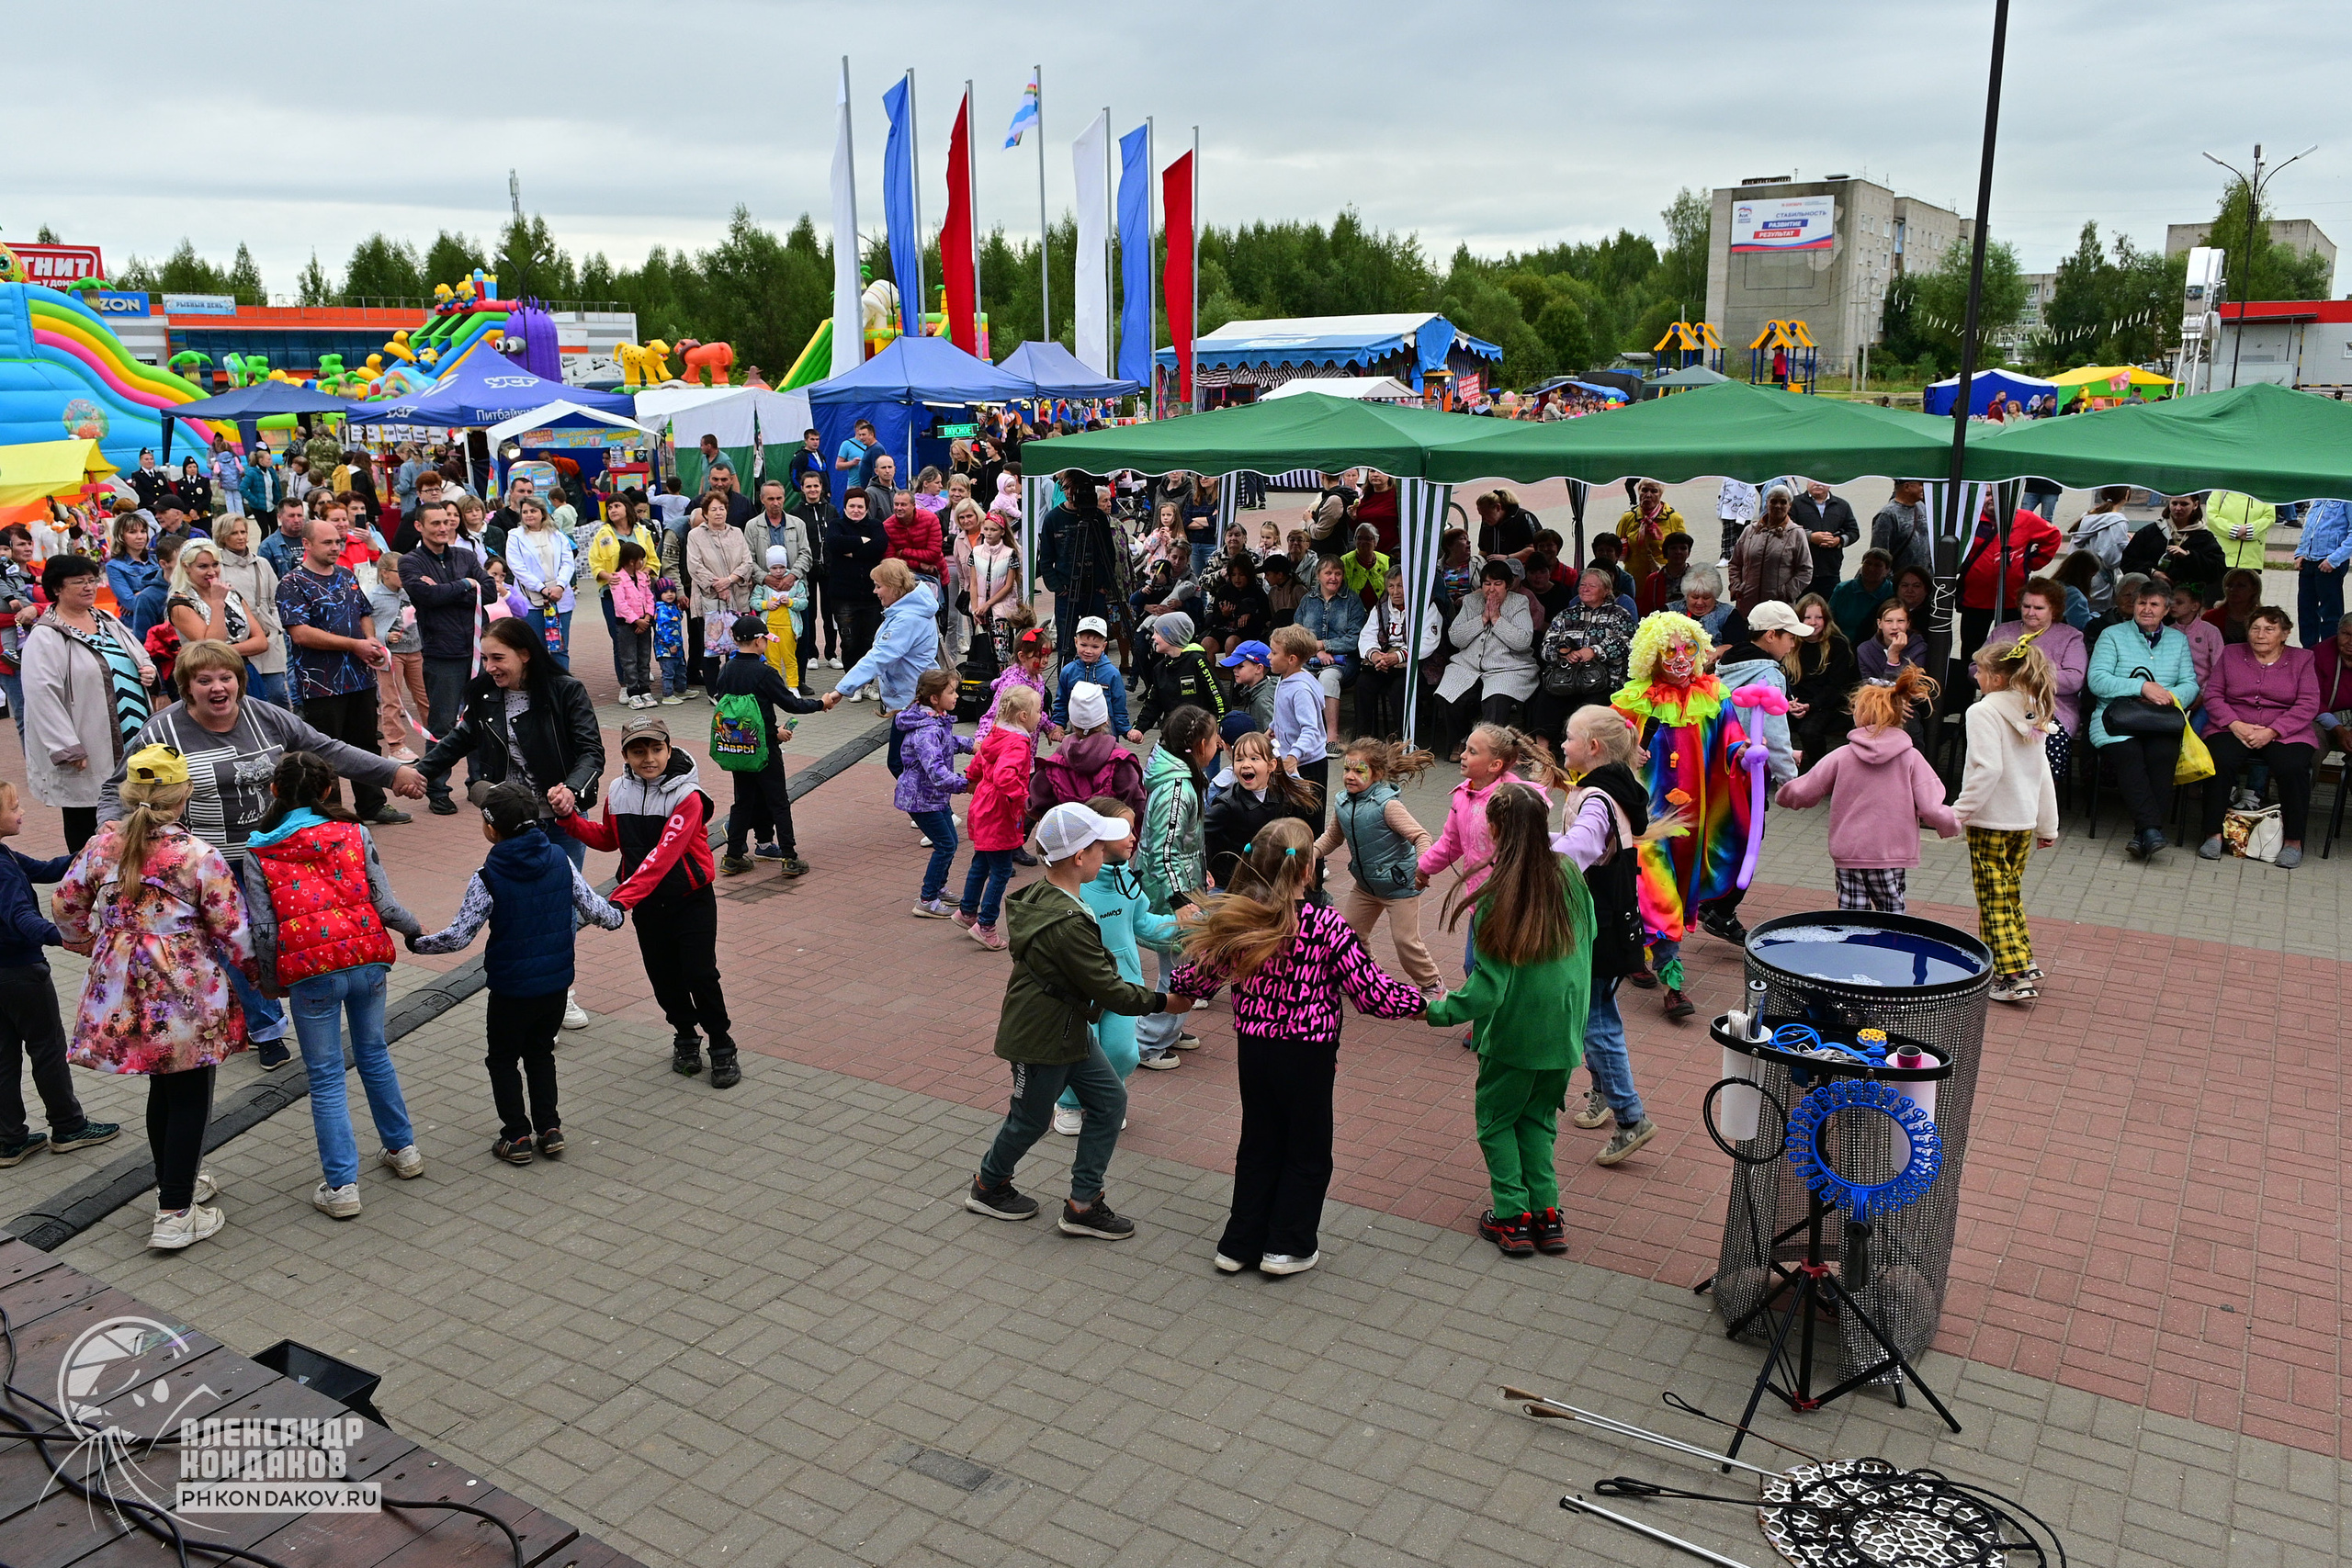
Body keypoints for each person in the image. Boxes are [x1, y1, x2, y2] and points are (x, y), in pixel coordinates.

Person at [1173, 817, 1426, 1276]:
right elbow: (1372, 993)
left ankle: (1240, 1242)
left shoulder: (1237, 920)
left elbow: (1192, 979)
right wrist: (1425, 1005)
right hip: (1307, 1052)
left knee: (1259, 1142)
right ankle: (1287, 1245)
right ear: (1308, 870)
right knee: (1307, 1148)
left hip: (1254, 1048)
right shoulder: (1325, 926)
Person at [53, 742, 255, 1249]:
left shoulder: (104, 844)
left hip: (121, 983)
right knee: (190, 1093)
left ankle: (176, 1183)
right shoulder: (196, 854)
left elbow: (65, 901)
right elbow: (233, 927)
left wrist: (83, 939)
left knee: (161, 1090)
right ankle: (174, 1212)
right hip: (184, 986)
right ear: (184, 793)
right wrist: (260, 974)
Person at [966, 800, 1196, 1238]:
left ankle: (1083, 1204)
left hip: (1068, 1030)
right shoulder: (1068, 921)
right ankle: (988, 1185)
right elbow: (1108, 989)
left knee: (1109, 1102)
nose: (1104, 854)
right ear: (1079, 857)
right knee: (1029, 1120)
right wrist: (1166, 1002)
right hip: (1043, 1037)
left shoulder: (1052, 894)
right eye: (1097, 847)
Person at [238, 752, 424, 1219]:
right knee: (374, 1053)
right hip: (366, 960)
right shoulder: (355, 832)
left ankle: (342, 1187)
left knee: (324, 1076)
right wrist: (414, 929)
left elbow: (263, 929)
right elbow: (384, 902)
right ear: (327, 791)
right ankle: (403, 1151)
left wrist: (267, 979)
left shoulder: (259, 850)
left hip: (309, 973)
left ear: (274, 792)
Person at [411, 781, 626, 1163]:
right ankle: (550, 1128)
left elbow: (460, 937)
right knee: (541, 1054)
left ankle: (516, 1136)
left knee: (503, 1059)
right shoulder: (561, 860)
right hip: (556, 984)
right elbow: (597, 911)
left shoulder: (488, 876)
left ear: (491, 829)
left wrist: (417, 942)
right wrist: (618, 913)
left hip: (510, 990)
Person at [1426, 784, 1591, 1257]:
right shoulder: (1570, 875)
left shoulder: (1497, 893)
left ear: (1494, 830)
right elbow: (1590, 938)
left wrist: (1440, 1009)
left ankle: (1511, 1217)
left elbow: (1487, 987)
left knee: (1497, 1120)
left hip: (1515, 1035)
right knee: (1539, 1119)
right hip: (1564, 1030)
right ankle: (1547, 1214)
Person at [558, 715, 736, 1084]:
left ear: (669, 748)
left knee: (700, 974)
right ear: (626, 755)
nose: (649, 758)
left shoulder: (690, 797)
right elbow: (609, 838)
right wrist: (569, 819)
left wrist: (619, 901)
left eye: (656, 748)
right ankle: (685, 1036)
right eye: (638, 751)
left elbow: (662, 856)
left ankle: (721, 1043)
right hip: (648, 905)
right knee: (663, 977)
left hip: (691, 898)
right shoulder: (618, 790)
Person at [1611, 614, 1758, 1019]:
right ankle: (1673, 982)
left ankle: (1637, 949)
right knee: (1658, 890)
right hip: (1646, 819)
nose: (1679, 657)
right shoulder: (1632, 701)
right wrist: (1626, 754)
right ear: (1650, 655)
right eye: (1669, 649)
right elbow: (1605, 749)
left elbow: (1732, 740)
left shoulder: (1713, 696)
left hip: (1694, 820)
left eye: (1687, 648)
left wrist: (1746, 754)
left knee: (1674, 890)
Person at [1554, 704, 1660, 1166]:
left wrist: (1533, 856)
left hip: (1599, 924)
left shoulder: (1597, 798)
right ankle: (1601, 1090)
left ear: (1593, 747)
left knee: (1597, 1020)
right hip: (1614, 919)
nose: (1562, 745)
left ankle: (1630, 1116)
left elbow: (1580, 845)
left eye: (1569, 738)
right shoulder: (1610, 788)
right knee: (1597, 1012)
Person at [1047, 795, 1187, 1123]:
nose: (1134, 836)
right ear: (1097, 838)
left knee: (1125, 1051)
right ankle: (1067, 1105)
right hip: (1083, 989)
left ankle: (1106, 1098)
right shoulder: (1075, 885)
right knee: (1081, 1050)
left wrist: (1185, 927)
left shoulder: (1128, 880)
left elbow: (1143, 923)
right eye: (1124, 829)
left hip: (1125, 985)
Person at [1774, 664, 1959, 913]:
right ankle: (1890, 950)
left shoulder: (1842, 755)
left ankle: (1853, 950)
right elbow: (1930, 806)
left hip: (1849, 850)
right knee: (1892, 915)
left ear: (1858, 713)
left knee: (1852, 916)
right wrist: (1950, 825)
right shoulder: (1911, 757)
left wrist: (1783, 795)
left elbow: (1805, 789)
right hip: (1892, 852)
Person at [0, 779, 117, 1166]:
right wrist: (67, 937)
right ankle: (68, 1126)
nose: (21, 812)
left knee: (4, 1056)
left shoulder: (6, 856)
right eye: (14, 807)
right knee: (47, 1048)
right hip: (21, 972)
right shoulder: (3, 869)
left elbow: (48, 868)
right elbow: (20, 918)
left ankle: (9, 1138)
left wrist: (90, 850)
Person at [21, 553, 155, 853]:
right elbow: (42, 697)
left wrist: (147, 671)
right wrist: (65, 746)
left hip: (132, 736)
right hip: (88, 747)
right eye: (78, 581)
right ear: (57, 588)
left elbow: (138, 654)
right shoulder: (45, 637)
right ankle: (87, 886)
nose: (88, 587)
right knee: (89, 823)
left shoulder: (107, 620)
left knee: (136, 813)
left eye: (92, 580)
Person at [277, 518, 404, 828]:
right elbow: (301, 633)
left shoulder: (346, 576)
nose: (336, 548)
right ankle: (329, 812)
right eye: (328, 543)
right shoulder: (292, 584)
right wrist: (354, 645)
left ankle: (373, 804)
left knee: (365, 744)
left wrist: (370, 641)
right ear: (306, 545)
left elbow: (364, 613)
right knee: (323, 753)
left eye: (338, 542)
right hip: (321, 683)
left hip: (359, 678)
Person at [1954, 640, 2062, 1002]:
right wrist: (2048, 824)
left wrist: (1959, 812)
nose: (1976, 676)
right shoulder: (2033, 709)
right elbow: (2042, 773)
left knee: (1993, 898)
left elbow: (1988, 769)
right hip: (2024, 821)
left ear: (1997, 678)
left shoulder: (1983, 711)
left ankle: (2012, 976)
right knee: (2008, 893)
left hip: (1991, 820)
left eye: (1981, 670)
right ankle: (2021, 960)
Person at [1314, 739, 1442, 996]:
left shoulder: (1388, 805)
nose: (1350, 776)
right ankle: (1368, 977)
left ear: (1377, 774)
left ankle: (1433, 986)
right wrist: (1310, 853)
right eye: (1346, 769)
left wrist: (1422, 867)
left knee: (1406, 942)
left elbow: (1421, 837)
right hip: (1365, 885)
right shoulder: (1343, 802)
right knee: (1348, 935)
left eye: (1358, 770)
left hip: (1399, 887)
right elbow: (1332, 838)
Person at [2198, 607, 2320, 868]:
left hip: (2285, 731)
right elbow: (2214, 695)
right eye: (2255, 628)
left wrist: (2273, 730)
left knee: (2293, 767)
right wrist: (2235, 724)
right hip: (2233, 726)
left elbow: (2308, 704)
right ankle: (2212, 834)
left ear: (2285, 634)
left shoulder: (2302, 659)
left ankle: (2293, 842)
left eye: (2269, 629)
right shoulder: (2231, 654)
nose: (2260, 635)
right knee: (2219, 759)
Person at [2087, 579, 2199, 862]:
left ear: (2166, 610)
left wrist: (2167, 696)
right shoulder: (2112, 635)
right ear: (2133, 605)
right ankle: (2150, 829)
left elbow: (2190, 684)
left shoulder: (2178, 640)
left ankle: (2144, 834)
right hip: (2116, 718)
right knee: (2130, 754)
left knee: (2163, 753)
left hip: (2160, 718)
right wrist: (2140, 687)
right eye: (2141, 603)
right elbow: (2097, 681)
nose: (2147, 609)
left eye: (2154, 604)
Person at [708, 615, 820, 876]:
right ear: (759, 641)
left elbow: (733, 711)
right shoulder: (764, 672)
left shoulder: (726, 670)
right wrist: (820, 704)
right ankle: (790, 857)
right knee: (778, 800)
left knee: (743, 800)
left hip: (738, 746)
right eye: (766, 640)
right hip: (765, 749)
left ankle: (733, 855)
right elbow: (791, 704)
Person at [956, 682, 1041, 950]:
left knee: (982, 860)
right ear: (1023, 716)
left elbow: (980, 761)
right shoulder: (1018, 742)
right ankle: (986, 925)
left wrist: (973, 778)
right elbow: (1006, 776)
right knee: (1002, 870)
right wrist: (1023, 797)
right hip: (999, 811)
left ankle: (968, 910)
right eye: (1039, 711)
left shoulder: (997, 733)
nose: (1042, 716)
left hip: (984, 804)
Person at [1974, 578, 2087, 779]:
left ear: (2054, 609)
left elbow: (2074, 679)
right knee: (1988, 738)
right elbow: (1975, 668)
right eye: (2026, 606)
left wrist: (2024, 676)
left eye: (2039, 607)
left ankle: (2042, 804)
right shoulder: (2002, 631)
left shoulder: (2071, 636)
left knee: (2052, 742)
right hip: (2002, 706)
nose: (2030, 612)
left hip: (2052, 710)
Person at [1532, 567, 1636, 749]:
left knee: (1593, 707)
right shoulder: (1566, 615)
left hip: (1605, 680)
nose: (1585, 589)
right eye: (1582, 585)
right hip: (1566, 677)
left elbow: (1627, 644)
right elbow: (1546, 646)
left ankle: (1585, 757)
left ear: (1606, 590)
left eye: (1592, 586)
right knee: (1545, 699)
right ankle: (1542, 756)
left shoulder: (1619, 614)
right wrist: (1563, 652)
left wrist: (1595, 651)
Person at [1204, 731, 1322, 890]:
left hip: (1271, 881)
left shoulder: (1282, 798)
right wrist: (1205, 869)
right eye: (1239, 759)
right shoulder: (1227, 805)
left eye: (1254, 758)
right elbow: (1201, 834)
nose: (1245, 764)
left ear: (1271, 765)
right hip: (1232, 886)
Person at [1440, 560, 1539, 743]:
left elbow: (1523, 641)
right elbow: (1455, 637)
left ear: (1507, 586)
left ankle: (1490, 746)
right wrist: (1483, 619)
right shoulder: (1471, 601)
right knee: (1450, 695)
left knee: (1496, 699)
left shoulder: (1519, 603)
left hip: (1508, 667)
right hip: (1468, 665)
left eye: (1497, 583)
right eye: (1487, 583)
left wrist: (1497, 619)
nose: (1491, 589)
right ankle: (1460, 741)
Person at [1716, 600, 1812, 787]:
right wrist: (1789, 781)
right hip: (1751, 773)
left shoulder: (1726, 665)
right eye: (1791, 638)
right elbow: (1775, 735)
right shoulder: (1769, 677)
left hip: (1721, 765)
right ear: (1771, 635)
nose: (1792, 645)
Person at [1956, 498, 2063, 661]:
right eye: (1987, 493)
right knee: (1971, 652)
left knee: (2010, 652)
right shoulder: (1968, 518)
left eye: (1996, 492)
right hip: (1974, 601)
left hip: (2011, 601)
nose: (1991, 498)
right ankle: (1969, 685)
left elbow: (2053, 536)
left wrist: (2031, 564)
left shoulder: (2025, 519)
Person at [1041, 470, 1123, 661]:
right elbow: (1045, 559)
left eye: (1074, 487)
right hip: (1066, 591)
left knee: (1096, 638)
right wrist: (1058, 588)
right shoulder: (1053, 518)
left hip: (1095, 590)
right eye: (1066, 487)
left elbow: (1109, 555)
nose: (1070, 492)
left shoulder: (1098, 517)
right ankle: (1067, 679)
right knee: (1067, 643)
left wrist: (1104, 587)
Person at [1033, 682, 1145, 821]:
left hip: (1070, 840)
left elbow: (1036, 806)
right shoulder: (1121, 762)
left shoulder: (1053, 764)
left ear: (1072, 722)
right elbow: (1137, 808)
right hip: (1113, 840)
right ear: (1106, 720)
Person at [1355, 572, 1440, 740]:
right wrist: (1375, 655)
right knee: (1363, 683)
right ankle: (1364, 736)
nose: (1396, 592)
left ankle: (1402, 737)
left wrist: (1399, 657)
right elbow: (1367, 635)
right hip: (1386, 662)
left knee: (1399, 688)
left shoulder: (1426, 606)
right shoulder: (1381, 606)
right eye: (1391, 586)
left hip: (1417, 665)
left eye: (1400, 586)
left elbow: (1428, 641)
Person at [684, 492, 752, 696]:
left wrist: (729, 580)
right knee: (712, 647)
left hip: (736, 597)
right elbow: (694, 566)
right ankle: (714, 692)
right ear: (705, 513)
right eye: (713, 509)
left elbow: (747, 562)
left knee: (735, 645)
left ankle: (733, 688)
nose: (718, 512)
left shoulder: (737, 533)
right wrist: (718, 586)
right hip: (709, 600)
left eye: (721, 508)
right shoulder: (695, 535)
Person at [504, 497, 577, 672]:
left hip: (559, 598)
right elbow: (518, 568)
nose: (529, 515)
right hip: (531, 600)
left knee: (560, 647)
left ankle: (563, 687)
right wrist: (541, 588)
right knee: (536, 647)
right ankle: (541, 687)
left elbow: (568, 563)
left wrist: (559, 586)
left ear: (542, 513)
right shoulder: (515, 536)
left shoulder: (557, 536)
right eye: (525, 512)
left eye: (533, 511)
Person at [1266, 625, 1331, 817]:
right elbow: (1285, 714)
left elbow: (1311, 730)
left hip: (1307, 765)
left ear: (1291, 659)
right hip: (1289, 761)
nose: (1269, 656)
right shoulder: (1285, 677)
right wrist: (1273, 728)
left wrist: (1294, 756)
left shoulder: (1301, 690)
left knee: (1307, 822)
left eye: (1273, 652)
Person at [1787, 593, 1855, 769]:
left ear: (1826, 620)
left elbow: (1836, 686)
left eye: (1818, 617)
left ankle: (1821, 771)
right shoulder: (1791, 644)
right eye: (1807, 617)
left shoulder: (1837, 645)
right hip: (1795, 703)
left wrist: (1811, 705)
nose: (1813, 622)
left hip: (1826, 704)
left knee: (1809, 731)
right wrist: (1790, 703)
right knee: (1772, 723)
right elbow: (1786, 680)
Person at [1135, 612, 1226, 733]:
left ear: (1170, 635)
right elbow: (1153, 703)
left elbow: (1217, 697)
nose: (1153, 637)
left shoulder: (1197, 661)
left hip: (1200, 735)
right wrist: (1139, 728)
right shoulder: (1160, 668)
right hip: (1173, 735)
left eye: (1157, 633)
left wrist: (1219, 729)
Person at [1728, 486, 1813, 613]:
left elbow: (1805, 570)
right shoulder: (1750, 531)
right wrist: (1737, 588)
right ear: (1766, 503)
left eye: (1783, 502)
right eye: (1773, 501)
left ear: (1789, 505)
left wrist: (1787, 592)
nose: (1778, 506)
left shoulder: (1796, 533)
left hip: (1779, 608)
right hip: (1747, 605)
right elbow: (1735, 563)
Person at [2120, 494, 2226, 590]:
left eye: (2184, 504)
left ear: (2195, 505)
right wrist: (2152, 572)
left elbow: (2217, 569)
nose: (2178, 508)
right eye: (2174, 503)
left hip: (2188, 601)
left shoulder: (2204, 537)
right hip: (2151, 594)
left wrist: (2188, 556)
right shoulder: (2151, 532)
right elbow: (2127, 562)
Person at [2291, 498, 2350, 649]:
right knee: (2305, 611)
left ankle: (2329, 652)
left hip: (2330, 563)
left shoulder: (2345, 499)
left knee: (2330, 614)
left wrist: (2334, 559)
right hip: (2309, 562)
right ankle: (2309, 650)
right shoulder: (2318, 498)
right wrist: (2300, 553)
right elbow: (2309, 527)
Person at [2068, 487, 2133, 615]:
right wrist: (2129, 547)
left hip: (2079, 578)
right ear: (2126, 495)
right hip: (2099, 586)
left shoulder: (2089, 515)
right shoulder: (2117, 521)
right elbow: (2112, 560)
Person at [1792, 480, 1859, 593]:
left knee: (1829, 608)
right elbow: (1788, 530)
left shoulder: (1842, 505)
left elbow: (1853, 532)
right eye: (1813, 480)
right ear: (1807, 481)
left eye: (1822, 481)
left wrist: (1838, 541)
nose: (1818, 484)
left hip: (1830, 570)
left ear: (1830, 483)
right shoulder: (1794, 504)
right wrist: (1810, 537)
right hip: (1801, 570)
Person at [1615, 479, 1686, 582]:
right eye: (1644, 490)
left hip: (1664, 581)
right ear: (1638, 492)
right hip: (1635, 580)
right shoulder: (1628, 518)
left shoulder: (1674, 518)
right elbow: (1618, 549)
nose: (1648, 495)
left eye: (1654, 491)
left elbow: (1682, 552)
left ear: (1660, 494)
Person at [1830, 547, 1895, 646]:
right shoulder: (1842, 589)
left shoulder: (1892, 592)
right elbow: (1829, 619)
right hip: (1842, 644)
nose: (1871, 568)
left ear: (1887, 570)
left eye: (1878, 565)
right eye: (1868, 563)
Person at [1869, 479, 1932, 577]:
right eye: (1920, 485)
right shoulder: (1887, 515)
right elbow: (1879, 554)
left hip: (1923, 580)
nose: (1923, 488)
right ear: (1907, 487)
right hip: (1900, 583)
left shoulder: (1921, 506)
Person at [105, 513, 161, 619]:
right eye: (132, 532)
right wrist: (159, 589)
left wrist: (141, 594)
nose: (140, 537)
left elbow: (174, 590)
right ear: (121, 536)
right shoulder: (114, 566)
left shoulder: (157, 558)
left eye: (143, 531)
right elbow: (131, 603)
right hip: (138, 624)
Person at [2205, 491, 2274, 573]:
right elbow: (2211, 517)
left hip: (2251, 559)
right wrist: (2235, 530)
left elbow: (2269, 517)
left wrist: (2248, 530)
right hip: (2221, 557)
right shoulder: (2221, 490)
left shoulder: (2265, 492)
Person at [1674, 566, 1735, 644]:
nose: (1700, 602)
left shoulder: (1729, 614)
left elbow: (1736, 646)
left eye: (1706, 598)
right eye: (1695, 597)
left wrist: (1718, 651)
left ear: (1715, 595)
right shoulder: (1670, 611)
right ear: (1686, 595)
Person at [2205, 568, 2262, 646]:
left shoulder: (2263, 618)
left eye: (2241, 585)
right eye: (2229, 585)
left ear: (2254, 589)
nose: (2233, 589)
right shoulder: (2210, 617)